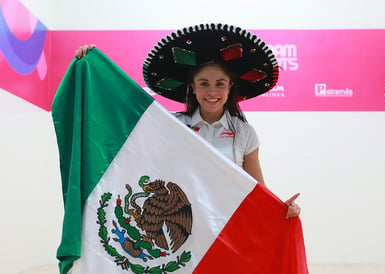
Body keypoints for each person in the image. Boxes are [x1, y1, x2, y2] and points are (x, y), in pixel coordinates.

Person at [75, 23, 301, 218]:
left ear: (230, 87)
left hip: (229, 228)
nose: (212, 91)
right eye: (203, 83)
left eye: (220, 83)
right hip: (182, 226)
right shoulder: (172, 125)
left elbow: (259, 192)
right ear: (192, 87)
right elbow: (121, 121)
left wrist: (284, 209)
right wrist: (94, 66)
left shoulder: (244, 133)